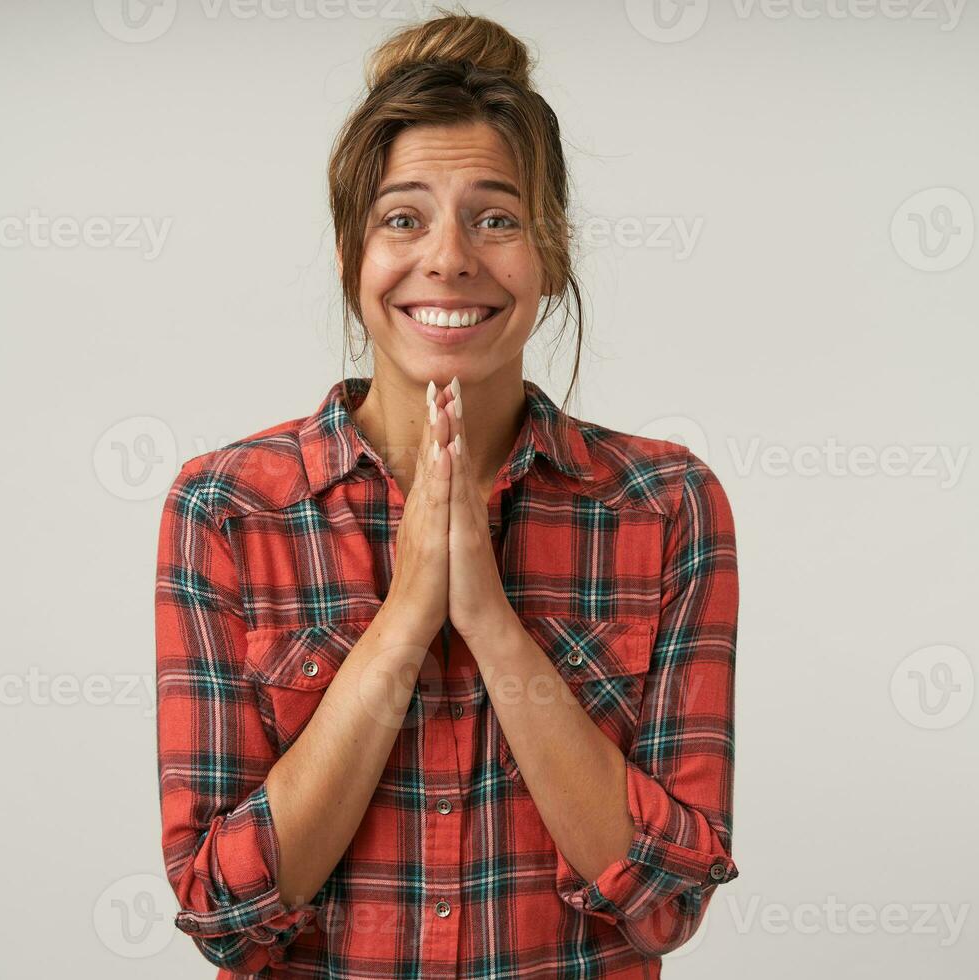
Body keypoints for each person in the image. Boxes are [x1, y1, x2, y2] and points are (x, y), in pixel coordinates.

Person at [154, 9, 739, 977]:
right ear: (354, 259)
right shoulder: (224, 510)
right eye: (403, 216)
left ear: (549, 257)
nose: (450, 257)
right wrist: (403, 621)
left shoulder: (667, 507)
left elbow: (667, 900)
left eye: (497, 216)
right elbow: (221, 910)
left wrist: (491, 619)